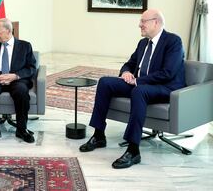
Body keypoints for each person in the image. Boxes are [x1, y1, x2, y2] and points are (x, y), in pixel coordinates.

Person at [79, 9, 185, 169]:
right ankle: (99, 135)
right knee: (105, 82)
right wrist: (126, 72)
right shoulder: (143, 43)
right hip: (141, 84)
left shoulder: (173, 41)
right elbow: (130, 63)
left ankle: (133, 150)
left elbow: (167, 73)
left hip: (164, 88)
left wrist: (138, 81)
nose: (139, 25)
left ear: (155, 22)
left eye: (143, 21)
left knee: (139, 91)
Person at [0, 18, 37, 144]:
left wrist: (15, 76)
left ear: (8, 30)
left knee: (22, 91)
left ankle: (21, 129)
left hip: (16, 79)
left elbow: (31, 68)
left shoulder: (25, 46)